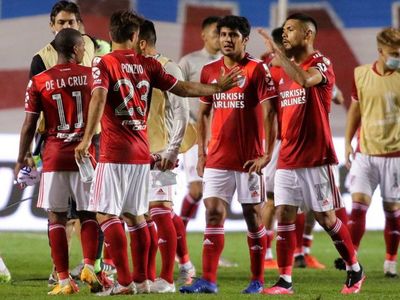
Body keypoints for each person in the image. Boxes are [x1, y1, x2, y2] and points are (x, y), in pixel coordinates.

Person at [74, 10, 241, 296]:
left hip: (114, 152)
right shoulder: (149, 64)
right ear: (134, 36)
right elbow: (184, 89)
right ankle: (142, 281)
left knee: (104, 215)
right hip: (142, 152)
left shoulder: (104, 62)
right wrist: (217, 87)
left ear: (112, 34)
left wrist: (86, 137)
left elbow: (99, 97)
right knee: (137, 217)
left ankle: (125, 283)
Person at [258, 13, 365, 294]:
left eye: (290, 30)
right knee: (284, 213)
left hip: (316, 156)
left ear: (307, 35)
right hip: (288, 156)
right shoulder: (280, 71)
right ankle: (285, 280)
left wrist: (280, 58)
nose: (285, 34)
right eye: (284, 31)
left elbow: (306, 81)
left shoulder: (321, 64)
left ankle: (355, 269)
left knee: (325, 217)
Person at [180, 15, 277, 294]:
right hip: (218, 158)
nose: (226, 39)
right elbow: (204, 113)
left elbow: (271, 115)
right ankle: (209, 280)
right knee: (212, 213)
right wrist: (201, 153)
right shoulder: (210, 71)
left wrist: (267, 154)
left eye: (233, 35)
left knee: (252, 217)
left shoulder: (258, 70)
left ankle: (257, 280)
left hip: (248, 159)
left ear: (244, 39)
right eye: (223, 34)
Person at [15, 28, 104, 295]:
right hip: (86, 155)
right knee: (89, 214)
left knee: (57, 217)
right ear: (78, 50)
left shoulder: (39, 80)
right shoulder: (93, 77)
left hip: (54, 156)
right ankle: (89, 265)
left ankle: (64, 280)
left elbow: (29, 123)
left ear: (55, 51)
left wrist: (23, 156)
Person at [137, 19, 196, 292]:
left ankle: (168, 279)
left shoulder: (168, 67)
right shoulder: (133, 67)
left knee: (161, 213)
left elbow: (181, 112)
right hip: (136, 152)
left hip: (161, 152)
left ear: (141, 42)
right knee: (142, 217)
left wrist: (172, 150)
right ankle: (148, 278)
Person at [343, 27, 400, 278]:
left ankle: (390, 261)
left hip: (395, 154)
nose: (397, 57)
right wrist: (346, 142)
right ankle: (351, 262)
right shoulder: (360, 74)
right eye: (394, 53)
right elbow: (355, 110)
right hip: (365, 152)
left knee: (392, 211)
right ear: (380, 51)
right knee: (357, 207)